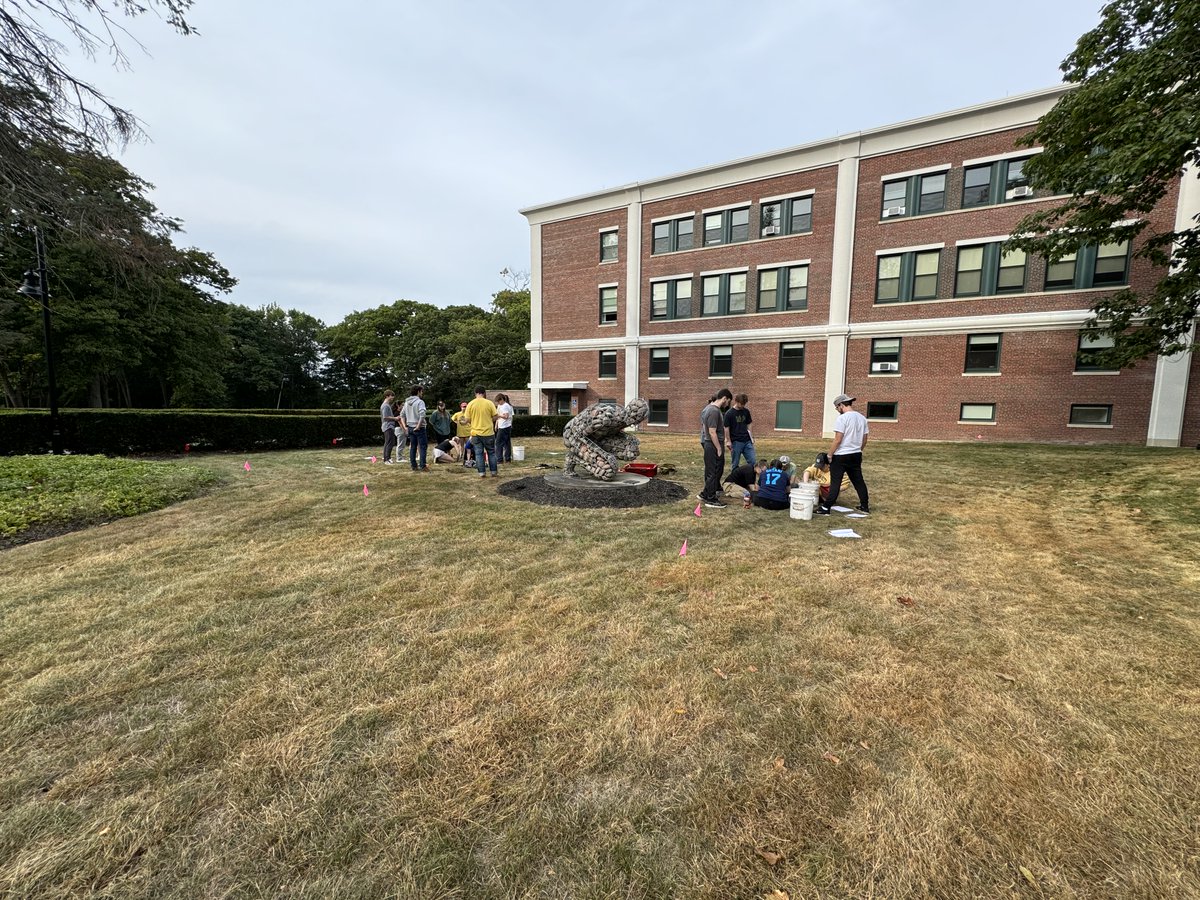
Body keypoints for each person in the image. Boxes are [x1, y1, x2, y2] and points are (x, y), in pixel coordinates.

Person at [817, 393, 870, 515]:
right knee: (858, 481)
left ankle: (826, 508)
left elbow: (838, 439)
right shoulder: (862, 418)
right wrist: (858, 449)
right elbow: (865, 439)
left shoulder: (842, 418)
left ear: (841, 405)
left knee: (836, 481)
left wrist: (830, 455)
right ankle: (864, 505)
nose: (837, 410)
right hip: (856, 454)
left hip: (841, 455)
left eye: (837, 407)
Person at [698, 388, 733, 508]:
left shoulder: (708, 408)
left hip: (709, 444)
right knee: (714, 471)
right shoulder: (713, 411)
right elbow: (712, 432)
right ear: (724, 398)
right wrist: (718, 448)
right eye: (728, 401)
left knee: (711, 470)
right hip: (712, 444)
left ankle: (705, 493)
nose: (728, 404)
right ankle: (711, 499)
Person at [464, 385, 499, 477]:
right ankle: (493, 472)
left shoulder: (471, 404)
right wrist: (489, 420)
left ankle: (482, 473)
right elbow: (495, 416)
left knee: (478, 453)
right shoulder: (489, 403)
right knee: (491, 452)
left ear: (475, 393)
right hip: (488, 433)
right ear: (484, 393)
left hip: (476, 433)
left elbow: (467, 419)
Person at [724, 393, 756, 470]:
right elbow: (726, 428)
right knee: (735, 463)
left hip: (747, 441)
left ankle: (751, 477)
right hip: (736, 442)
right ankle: (734, 479)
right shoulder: (729, 413)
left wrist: (751, 436)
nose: (742, 406)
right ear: (736, 401)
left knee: (753, 461)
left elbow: (749, 423)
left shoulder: (746, 411)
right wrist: (728, 441)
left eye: (744, 404)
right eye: (741, 404)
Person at [401, 385, 429, 471]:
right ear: (418, 391)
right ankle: (423, 466)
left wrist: (405, 426)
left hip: (410, 427)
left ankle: (414, 466)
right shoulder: (420, 402)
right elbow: (422, 414)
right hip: (419, 428)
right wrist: (418, 426)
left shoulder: (406, 403)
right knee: (423, 446)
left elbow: (402, 415)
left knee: (413, 447)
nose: (422, 393)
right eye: (421, 391)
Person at [452, 401, 474, 466]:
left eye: (466, 406)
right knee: (461, 445)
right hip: (460, 432)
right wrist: (457, 422)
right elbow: (453, 418)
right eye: (463, 406)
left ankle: (468, 457)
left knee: (468, 446)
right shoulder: (457, 414)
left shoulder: (470, 414)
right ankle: (461, 455)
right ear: (461, 407)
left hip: (468, 432)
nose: (465, 408)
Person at [494, 392, 515, 463]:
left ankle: (499, 459)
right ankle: (507, 458)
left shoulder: (505, 406)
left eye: (499, 401)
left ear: (502, 399)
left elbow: (506, 416)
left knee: (498, 443)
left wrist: (499, 416)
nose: (498, 403)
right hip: (503, 426)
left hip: (504, 426)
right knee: (506, 443)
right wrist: (496, 424)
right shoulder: (501, 406)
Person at [379, 390, 399, 464]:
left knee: (388, 442)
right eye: (391, 396)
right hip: (388, 426)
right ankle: (387, 459)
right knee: (389, 443)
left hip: (388, 426)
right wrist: (395, 418)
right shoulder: (385, 406)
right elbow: (385, 417)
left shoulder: (386, 405)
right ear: (387, 396)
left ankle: (387, 458)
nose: (392, 397)